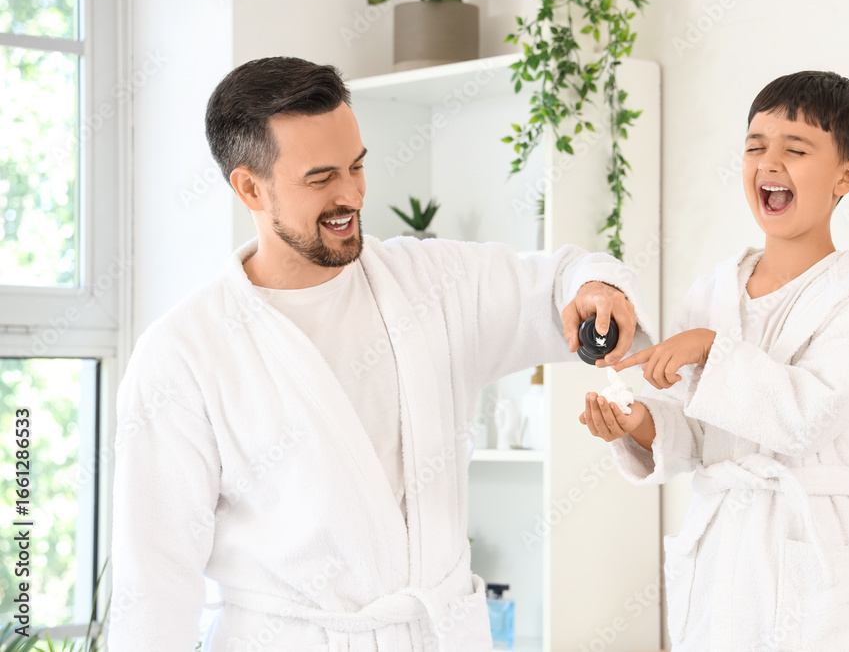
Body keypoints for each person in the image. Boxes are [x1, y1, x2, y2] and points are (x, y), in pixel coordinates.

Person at [109, 56, 653, 651]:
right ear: (249, 187)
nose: (351, 195)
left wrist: (599, 289)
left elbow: (564, 279)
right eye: (321, 179)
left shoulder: (430, 284)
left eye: (358, 166)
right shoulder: (184, 353)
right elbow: (154, 586)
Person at [579, 71, 849, 651]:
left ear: (848, 174)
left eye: (795, 149)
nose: (769, 162)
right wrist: (639, 424)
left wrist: (710, 348)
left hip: (813, 545)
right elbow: (694, 433)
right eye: (754, 146)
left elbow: (804, 419)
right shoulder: (715, 290)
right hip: (723, 550)